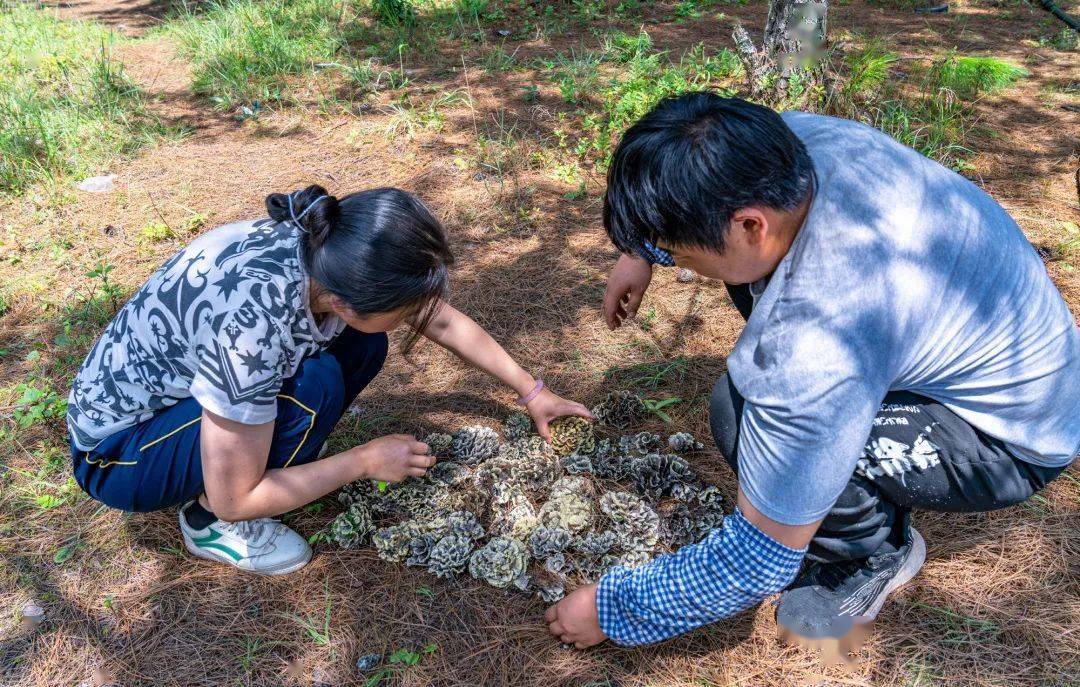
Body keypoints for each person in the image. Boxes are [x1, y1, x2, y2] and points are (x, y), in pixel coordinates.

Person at [544, 93, 1078, 648]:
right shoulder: (788, 144)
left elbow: (757, 559)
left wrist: (613, 609)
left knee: (740, 416)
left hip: (1011, 436)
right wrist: (644, 249)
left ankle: (871, 554)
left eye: (675, 252)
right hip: (984, 331)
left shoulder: (818, 346)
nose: (674, 262)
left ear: (750, 225)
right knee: (751, 376)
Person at [68, 184, 591, 575]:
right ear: (343, 300)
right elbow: (238, 496)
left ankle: (261, 450)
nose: (421, 314)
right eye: (405, 306)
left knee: (363, 343)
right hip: (119, 456)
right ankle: (208, 527)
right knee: (316, 386)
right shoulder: (251, 332)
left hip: (176, 404)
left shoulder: (329, 248)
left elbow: (442, 319)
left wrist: (533, 391)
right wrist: (362, 462)